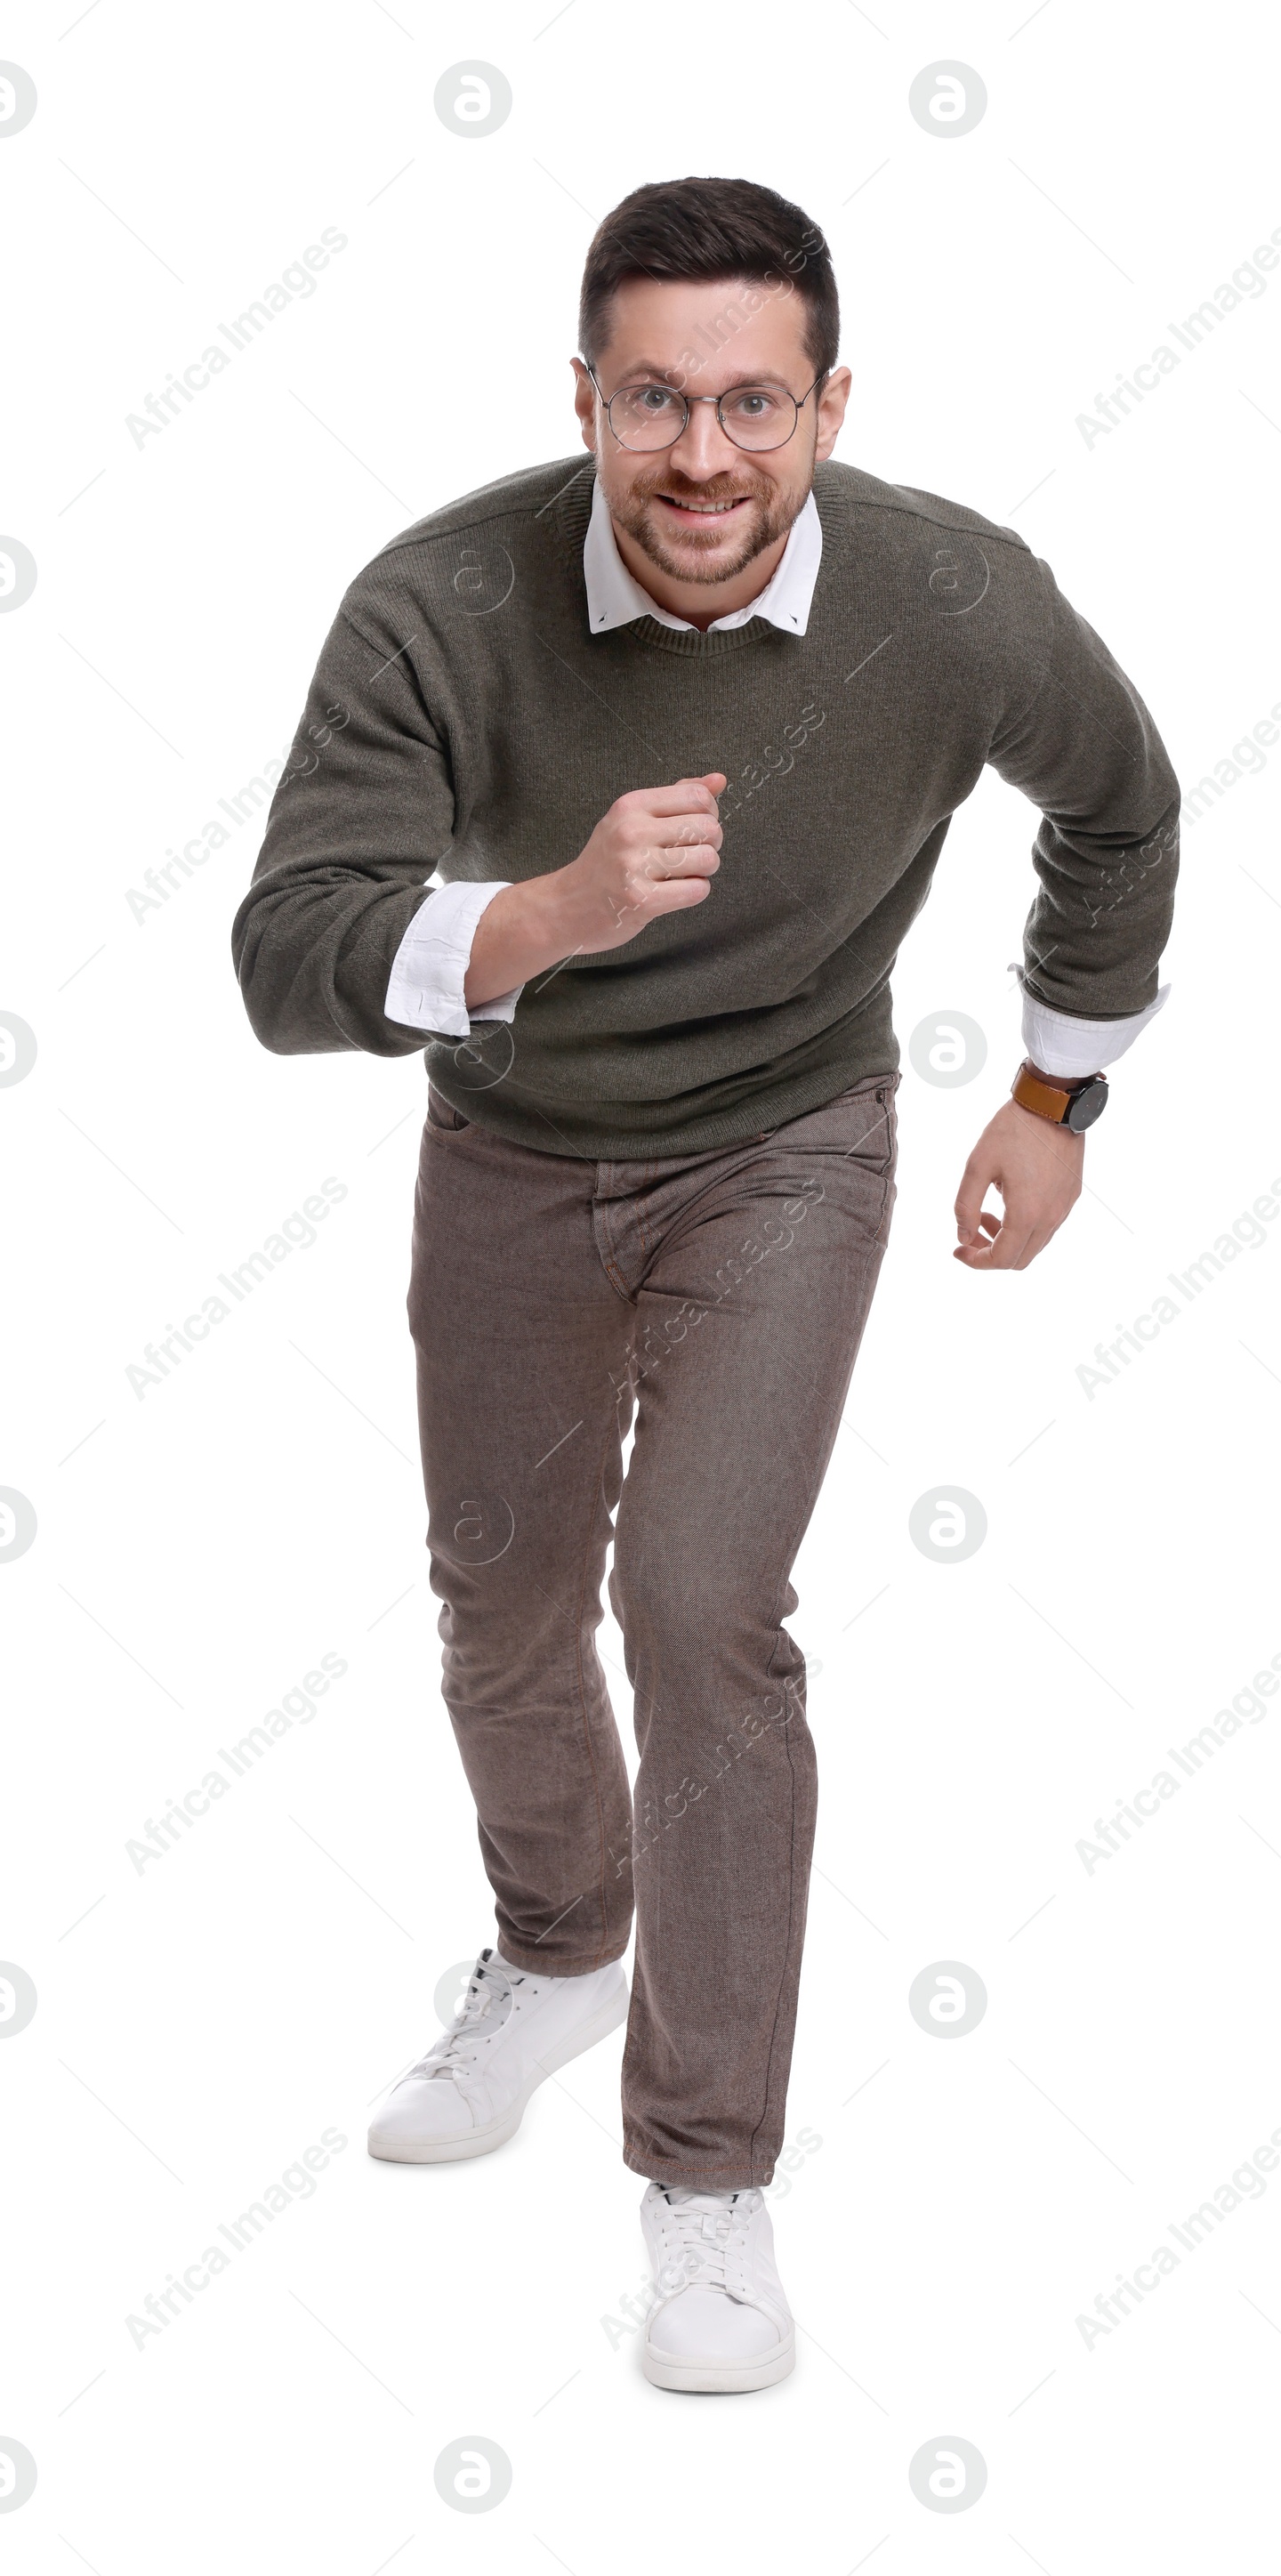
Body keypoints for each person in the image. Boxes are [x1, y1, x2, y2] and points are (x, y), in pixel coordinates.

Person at [232, 174, 1179, 2394]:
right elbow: (284, 958)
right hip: (513, 1136)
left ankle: (707, 2177)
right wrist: (535, 918)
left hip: (786, 1139)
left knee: (699, 1606)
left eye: (753, 400)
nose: (701, 456)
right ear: (583, 398)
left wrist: (1057, 1094)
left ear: (828, 407)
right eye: (651, 397)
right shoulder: (441, 602)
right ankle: (558, 1948)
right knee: (496, 1594)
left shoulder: (952, 597)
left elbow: (1118, 805)